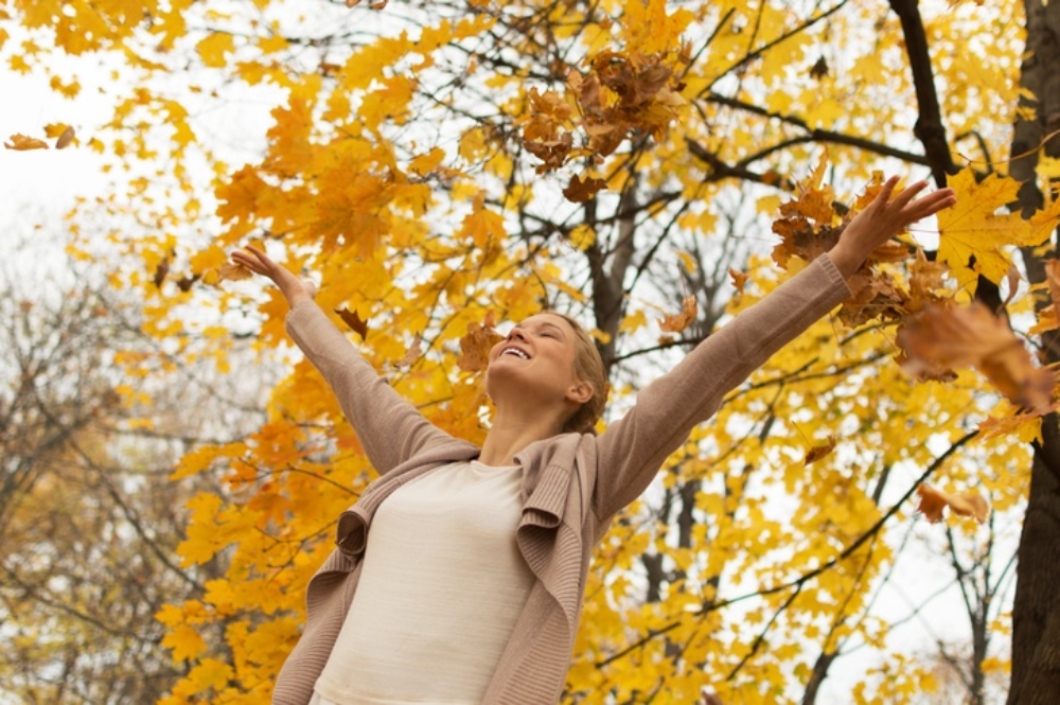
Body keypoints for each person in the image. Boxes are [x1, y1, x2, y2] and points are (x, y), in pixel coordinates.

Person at [230, 176, 956, 705]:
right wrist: (301, 302)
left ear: (582, 390)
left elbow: (721, 361)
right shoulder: (420, 461)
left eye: (546, 334)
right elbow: (357, 380)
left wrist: (838, 263)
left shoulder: (588, 475)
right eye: (517, 327)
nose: (518, 331)